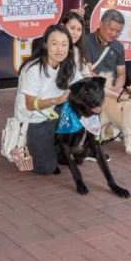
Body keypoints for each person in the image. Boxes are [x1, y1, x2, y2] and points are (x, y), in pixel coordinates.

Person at [15, 24, 79, 175]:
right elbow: (30, 105)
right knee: (46, 169)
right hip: (34, 120)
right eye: (54, 43)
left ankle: (55, 146)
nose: (60, 49)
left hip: (53, 115)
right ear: (45, 44)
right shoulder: (33, 68)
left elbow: (84, 83)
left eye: (64, 44)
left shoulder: (67, 65)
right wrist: (54, 100)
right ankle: (26, 144)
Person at [84, 8, 127, 94]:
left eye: (118, 31)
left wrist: (117, 89)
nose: (114, 34)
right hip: (90, 90)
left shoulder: (119, 47)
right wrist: (109, 88)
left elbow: (121, 73)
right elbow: (87, 71)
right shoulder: (86, 42)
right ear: (101, 23)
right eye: (111, 29)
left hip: (111, 92)